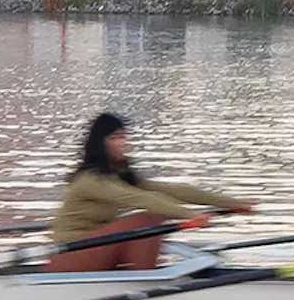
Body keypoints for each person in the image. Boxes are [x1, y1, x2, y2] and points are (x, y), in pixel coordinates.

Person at [47, 112, 254, 271]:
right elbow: (139, 198)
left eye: (124, 137)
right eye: (116, 138)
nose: (124, 143)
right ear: (100, 145)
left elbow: (174, 191)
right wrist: (190, 216)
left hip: (93, 250)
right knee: (144, 219)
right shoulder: (90, 180)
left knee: (151, 215)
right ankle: (147, 278)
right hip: (68, 256)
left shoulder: (120, 176)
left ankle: (145, 273)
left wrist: (233, 203)